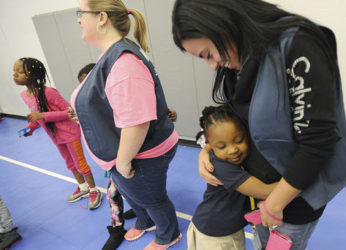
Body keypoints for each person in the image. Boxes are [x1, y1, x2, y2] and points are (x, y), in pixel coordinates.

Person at [172, 1, 346, 249]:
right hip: (258, 196)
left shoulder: (297, 46)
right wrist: (207, 149)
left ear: (223, 25)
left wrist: (275, 203)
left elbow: (317, 142)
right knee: (261, 243)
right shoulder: (239, 61)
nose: (213, 65)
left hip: (293, 197)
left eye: (208, 54)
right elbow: (231, 120)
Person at [71, 1, 182, 249]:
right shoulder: (111, 55)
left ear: (101, 17)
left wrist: (122, 161)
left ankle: (168, 234)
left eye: (81, 14)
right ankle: (145, 221)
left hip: (140, 153)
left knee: (152, 198)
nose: (79, 20)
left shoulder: (124, 62)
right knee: (134, 194)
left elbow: (137, 121)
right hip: (125, 152)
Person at [13, 57, 103, 210]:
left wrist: (43, 116)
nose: (15, 74)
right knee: (69, 164)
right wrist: (31, 127)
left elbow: (70, 111)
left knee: (80, 164)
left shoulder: (48, 92)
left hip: (69, 132)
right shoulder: (24, 95)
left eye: (20, 71)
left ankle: (94, 190)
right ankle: (83, 187)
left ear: (32, 75)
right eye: (14, 71)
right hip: (55, 136)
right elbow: (36, 115)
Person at [188, 105, 278, 250]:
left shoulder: (230, 156)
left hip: (228, 229)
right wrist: (300, 181)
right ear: (210, 145)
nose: (233, 150)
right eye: (222, 146)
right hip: (215, 236)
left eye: (238, 140)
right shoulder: (222, 167)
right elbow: (265, 191)